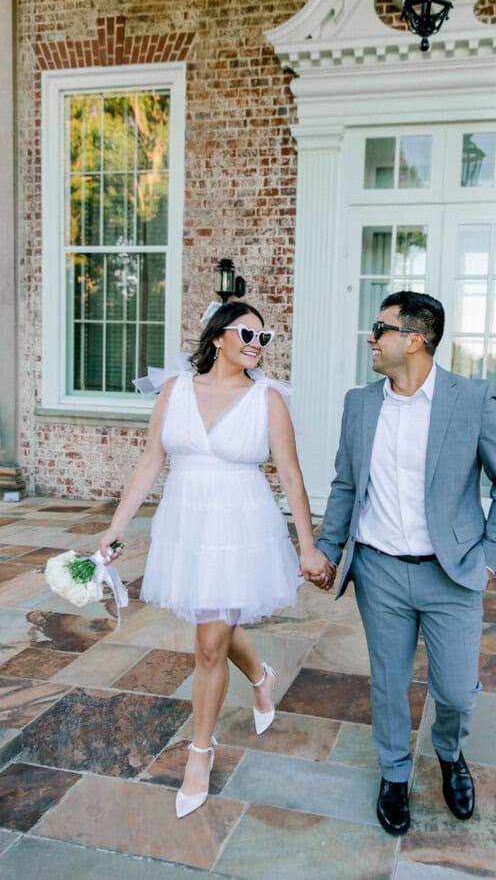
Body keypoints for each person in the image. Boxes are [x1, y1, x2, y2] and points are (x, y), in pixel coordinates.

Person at [99, 300, 331, 819]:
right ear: (219, 336)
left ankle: (199, 754)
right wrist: (115, 528)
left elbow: (291, 475)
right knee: (214, 624)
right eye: (248, 333)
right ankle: (260, 677)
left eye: (264, 338)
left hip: (241, 528)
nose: (257, 343)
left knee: (208, 643)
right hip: (187, 526)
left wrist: (308, 545)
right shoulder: (176, 390)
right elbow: (150, 461)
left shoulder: (267, 399)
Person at [313, 290, 496, 836]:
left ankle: (451, 753)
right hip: (379, 570)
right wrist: (328, 550)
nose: (370, 338)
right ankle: (394, 774)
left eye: (379, 328)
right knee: (389, 682)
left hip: (451, 572)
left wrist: (490, 559)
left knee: (455, 690)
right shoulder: (360, 404)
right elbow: (345, 484)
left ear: (414, 340)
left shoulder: (472, 399)